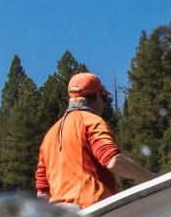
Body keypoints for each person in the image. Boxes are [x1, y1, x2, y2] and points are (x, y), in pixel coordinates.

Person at [36, 72, 155, 208]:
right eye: (104, 98)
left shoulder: (49, 136)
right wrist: (150, 177)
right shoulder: (91, 121)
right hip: (93, 213)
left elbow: (42, 194)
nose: (104, 104)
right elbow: (113, 161)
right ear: (98, 96)